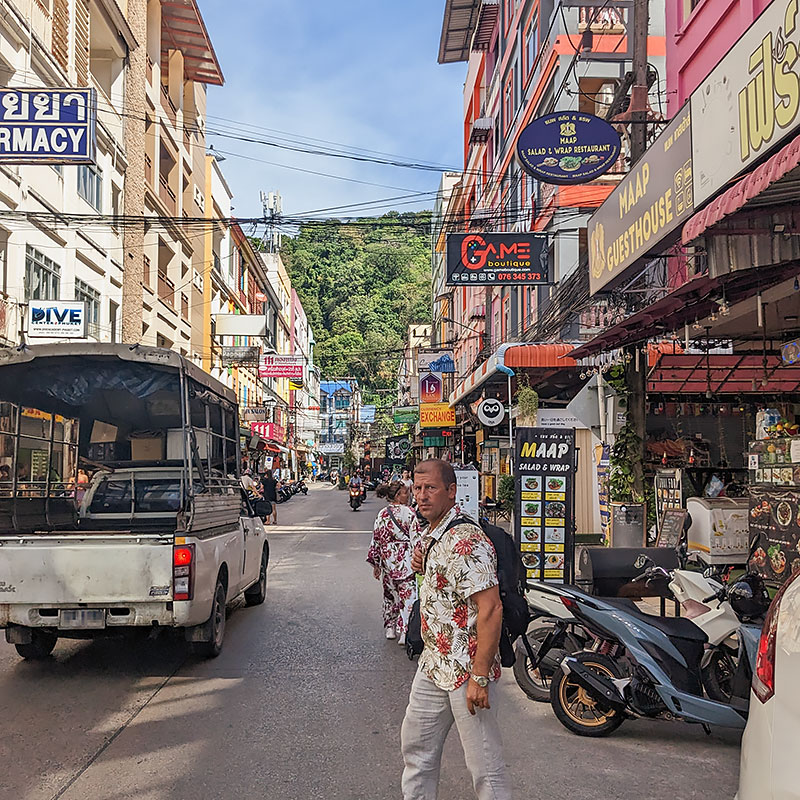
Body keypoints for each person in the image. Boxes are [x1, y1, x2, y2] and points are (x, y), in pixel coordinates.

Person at [401, 459, 510, 800]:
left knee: (484, 766)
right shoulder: (435, 532)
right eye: (417, 489)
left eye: (430, 488)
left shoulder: (466, 539)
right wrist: (423, 558)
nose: (422, 496)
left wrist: (479, 677)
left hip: (465, 668)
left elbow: (491, 608)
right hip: (435, 663)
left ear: (451, 491)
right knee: (416, 749)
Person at [366, 481, 417, 644]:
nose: (408, 495)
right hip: (406, 561)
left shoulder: (382, 514)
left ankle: (390, 628)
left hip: (388, 560)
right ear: (397, 495)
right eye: (405, 492)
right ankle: (405, 631)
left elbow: (376, 538)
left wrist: (376, 564)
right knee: (408, 596)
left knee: (389, 595)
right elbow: (416, 538)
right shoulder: (410, 513)